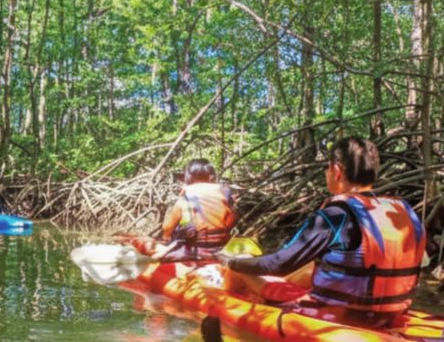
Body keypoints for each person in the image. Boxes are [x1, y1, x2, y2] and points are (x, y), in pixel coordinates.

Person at [219, 137, 426, 328]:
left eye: (327, 169)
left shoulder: (336, 214)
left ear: (336, 170)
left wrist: (231, 262)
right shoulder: (403, 212)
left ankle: (229, 314)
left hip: (338, 316)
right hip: (392, 316)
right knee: (311, 267)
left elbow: (276, 265)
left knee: (239, 266)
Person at [143, 158, 238, 261]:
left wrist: (167, 239)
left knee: (155, 258)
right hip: (222, 246)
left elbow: (167, 229)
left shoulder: (186, 195)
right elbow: (231, 221)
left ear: (188, 177)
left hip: (195, 249)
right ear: (212, 176)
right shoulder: (224, 192)